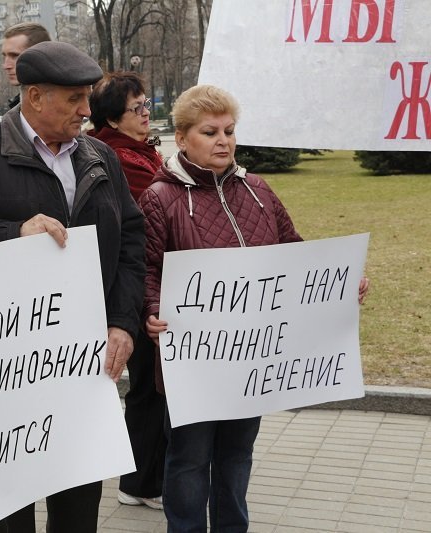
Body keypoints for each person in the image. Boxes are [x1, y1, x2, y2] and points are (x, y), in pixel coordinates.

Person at [0, 41, 145, 533]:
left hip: (84, 366)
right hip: (4, 372)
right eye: (74, 100)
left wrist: (123, 323)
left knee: (78, 504)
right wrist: (12, 233)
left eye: (88, 97)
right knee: (8, 506)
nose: (87, 111)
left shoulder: (100, 157)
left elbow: (131, 242)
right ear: (35, 96)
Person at [139, 84, 370, 532]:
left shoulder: (258, 190)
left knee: (236, 457)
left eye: (229, 130)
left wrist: (340, 284)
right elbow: (146, 268)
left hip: (253, 362)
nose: (223, 140)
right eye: (210, 132)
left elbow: (295, 254)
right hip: (194, 362)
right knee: (188, 461)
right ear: (183, 138)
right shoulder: (160, 198)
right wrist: (152, 310)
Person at [88, 71, 165, 510]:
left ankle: (141, 479)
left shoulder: (141, 154)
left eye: (146, 105)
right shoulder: (119, 161)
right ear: (113, 121)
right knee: (147, 388)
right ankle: (141, 481)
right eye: (137, 109)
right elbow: (153, 218)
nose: (145, 115)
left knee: (150, 387)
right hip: (134, 291)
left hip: (146, 285)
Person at [1, 22, 51, 109]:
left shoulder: (62, 104)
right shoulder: (18, 108)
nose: (6, 66)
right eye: (5, 56)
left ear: (39, 56)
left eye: (15, 56)